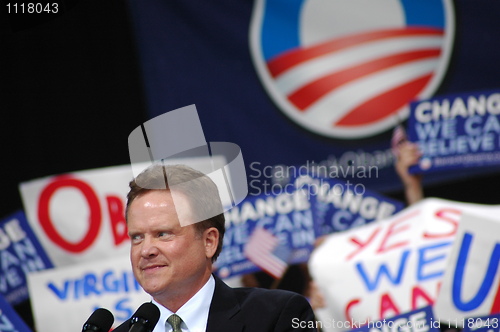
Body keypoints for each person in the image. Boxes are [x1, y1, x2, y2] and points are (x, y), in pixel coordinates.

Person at [112, 163, 317, 332]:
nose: (146, 250)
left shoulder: (277, 315)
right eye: (137, 237)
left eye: (162, 234)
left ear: (209, 241)